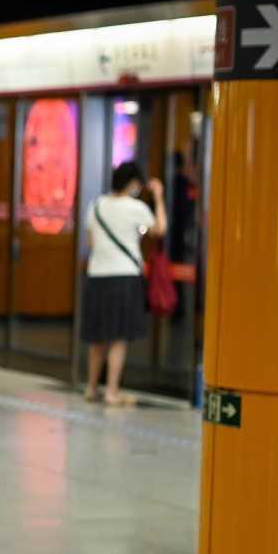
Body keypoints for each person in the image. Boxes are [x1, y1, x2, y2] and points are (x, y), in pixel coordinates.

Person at [83, 160, 167, 406]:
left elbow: (91, 242)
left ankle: (90, 388)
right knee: (118, 337)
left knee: (98, 336)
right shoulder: (136, 208)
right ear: (132, 184)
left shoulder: (96, 205)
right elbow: (159, 229)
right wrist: (159, 198)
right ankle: (111, 391)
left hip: (97, 275)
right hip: (124, 277)